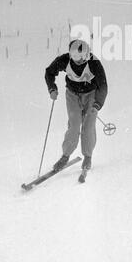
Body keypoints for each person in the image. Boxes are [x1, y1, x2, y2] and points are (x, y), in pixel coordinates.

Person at [45, 39, 108, 172]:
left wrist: (97, 104)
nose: (78, 61)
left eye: (81, 57)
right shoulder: (65, 60)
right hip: (72, 95)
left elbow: (103, 86)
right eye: (74, 57)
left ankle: (88, 156)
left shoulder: (94, 63)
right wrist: (52, 88)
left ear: (86, 54)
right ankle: (65, 156)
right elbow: (49, 72)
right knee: (74, 125)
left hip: (91, 95)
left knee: (88, 126)